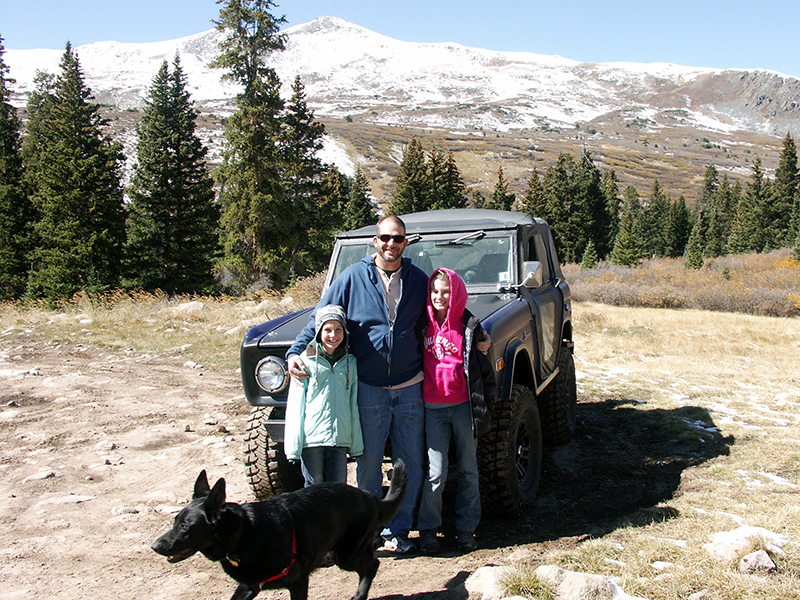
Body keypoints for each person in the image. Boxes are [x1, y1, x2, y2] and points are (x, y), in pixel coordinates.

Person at [287, 215, 429, 554]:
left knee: (410, 463)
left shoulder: (418, 279)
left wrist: (476, 333)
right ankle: (370, 532)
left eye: (397, 238)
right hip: (368, 387)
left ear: (405, 243)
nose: (391, 244)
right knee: (368, 465)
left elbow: (444, 310)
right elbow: (321, 315)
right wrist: (295, 351)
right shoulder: (352, 277)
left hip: (410, 385)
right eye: (385, 238)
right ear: (375, 241)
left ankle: (400, 529)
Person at [416, 268, 496, 554]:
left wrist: (487, 403)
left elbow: (485, 367)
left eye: (446, 291)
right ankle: (428, 529)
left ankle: (466, 528)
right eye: (435, 291)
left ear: (457, 293)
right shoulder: (420, 323)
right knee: (435, 473)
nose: (439, 296)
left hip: (463, 405)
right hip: (432, 408)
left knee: (468, 470)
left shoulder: (469, 325)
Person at [284, 304, 362, 487]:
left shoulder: (350, 362)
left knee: (338, 488)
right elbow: (296, 407)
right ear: (318, 331)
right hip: (312, 440)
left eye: (338, 329)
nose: (333, 335)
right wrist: (293, 448)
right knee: (314, 489)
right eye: (327, 329)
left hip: (339, 438)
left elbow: (353, 404)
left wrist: (356, 444)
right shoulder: (304, 362)